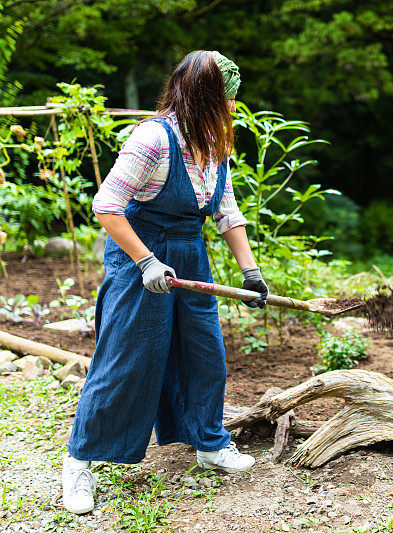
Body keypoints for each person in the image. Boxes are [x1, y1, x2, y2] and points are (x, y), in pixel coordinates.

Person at [61, 50, 269, 515]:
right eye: (229, 99)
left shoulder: (215, 145)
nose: (234, 107)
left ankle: (210, 444)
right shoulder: (153, 139)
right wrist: (146, 262)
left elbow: (225, 211)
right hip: (142, 256)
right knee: (127, 360)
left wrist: (249, 270)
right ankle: (78, 461)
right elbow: (107, 206)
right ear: (208, 98)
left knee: (205, 353)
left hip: (190, 255)